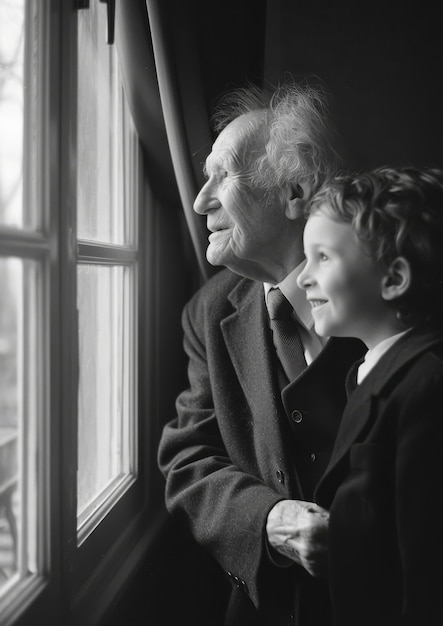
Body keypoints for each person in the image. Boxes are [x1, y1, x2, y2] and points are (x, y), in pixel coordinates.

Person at [157, 82, 364, 626]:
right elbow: (189, 459)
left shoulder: (388, 291)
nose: (200, 201)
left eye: (222, 176)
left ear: (294, 191)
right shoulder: (209, 310)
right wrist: (271, 520)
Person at [297, 165, 443, 626]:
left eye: (323, 257)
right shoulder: (365, 372)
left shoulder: (427, 388)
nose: (303, 279)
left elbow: (426, 576)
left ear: (394, 279)